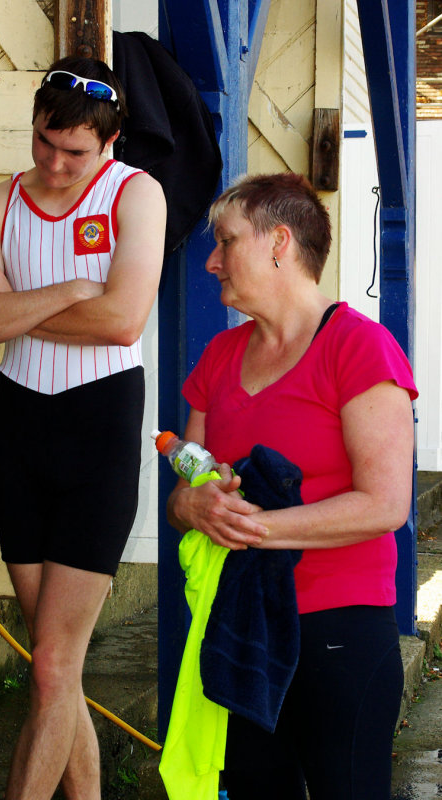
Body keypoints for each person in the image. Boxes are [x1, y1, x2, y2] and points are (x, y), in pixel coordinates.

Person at [167, 173, 417, 800]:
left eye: (226, 242)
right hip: (242, 628)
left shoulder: (360, 346)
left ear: (279, 242)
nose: (211, 261)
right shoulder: (220, 357)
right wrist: (193, 505)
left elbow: (385, 504)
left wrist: (254, 527)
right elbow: (189, 488)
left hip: (340, 628)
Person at [0, 55, 166, 800]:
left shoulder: (136, 194)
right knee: (57, 661)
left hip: (100, 428)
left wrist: (28, 309)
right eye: (44, 142)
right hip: (20, 430)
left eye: (75, 152)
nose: (56, 164)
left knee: (52, 667)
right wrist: (72, 289)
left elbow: (123, 322)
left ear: (110, 142)